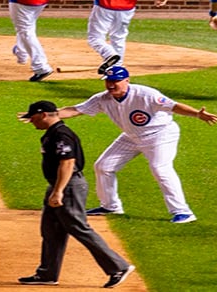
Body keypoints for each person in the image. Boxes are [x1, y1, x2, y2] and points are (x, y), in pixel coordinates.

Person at [58, 66, 217, 223]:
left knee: (160, 168)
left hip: (160, 135)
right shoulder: (102, 98)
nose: (111, 84)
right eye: (108, 81)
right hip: (131, 137)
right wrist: (46, 115)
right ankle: (110, 206)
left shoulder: (145, 94)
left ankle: (183, 212)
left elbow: (173, 106)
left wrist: (197, 114)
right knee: (103, 166)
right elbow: (76, 110)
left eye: (116, 81)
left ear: (127, 80)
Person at [15, 100, 136, 288]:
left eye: (32, 118)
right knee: (51, 230)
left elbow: (68, 163)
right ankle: (47, 274)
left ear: (44, 115)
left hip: (68, 187)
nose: (31, 121)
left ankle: (118, 267)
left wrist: (58, 192)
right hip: (59, 185)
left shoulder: (61, 135)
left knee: (78, 227)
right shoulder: (53, 133)